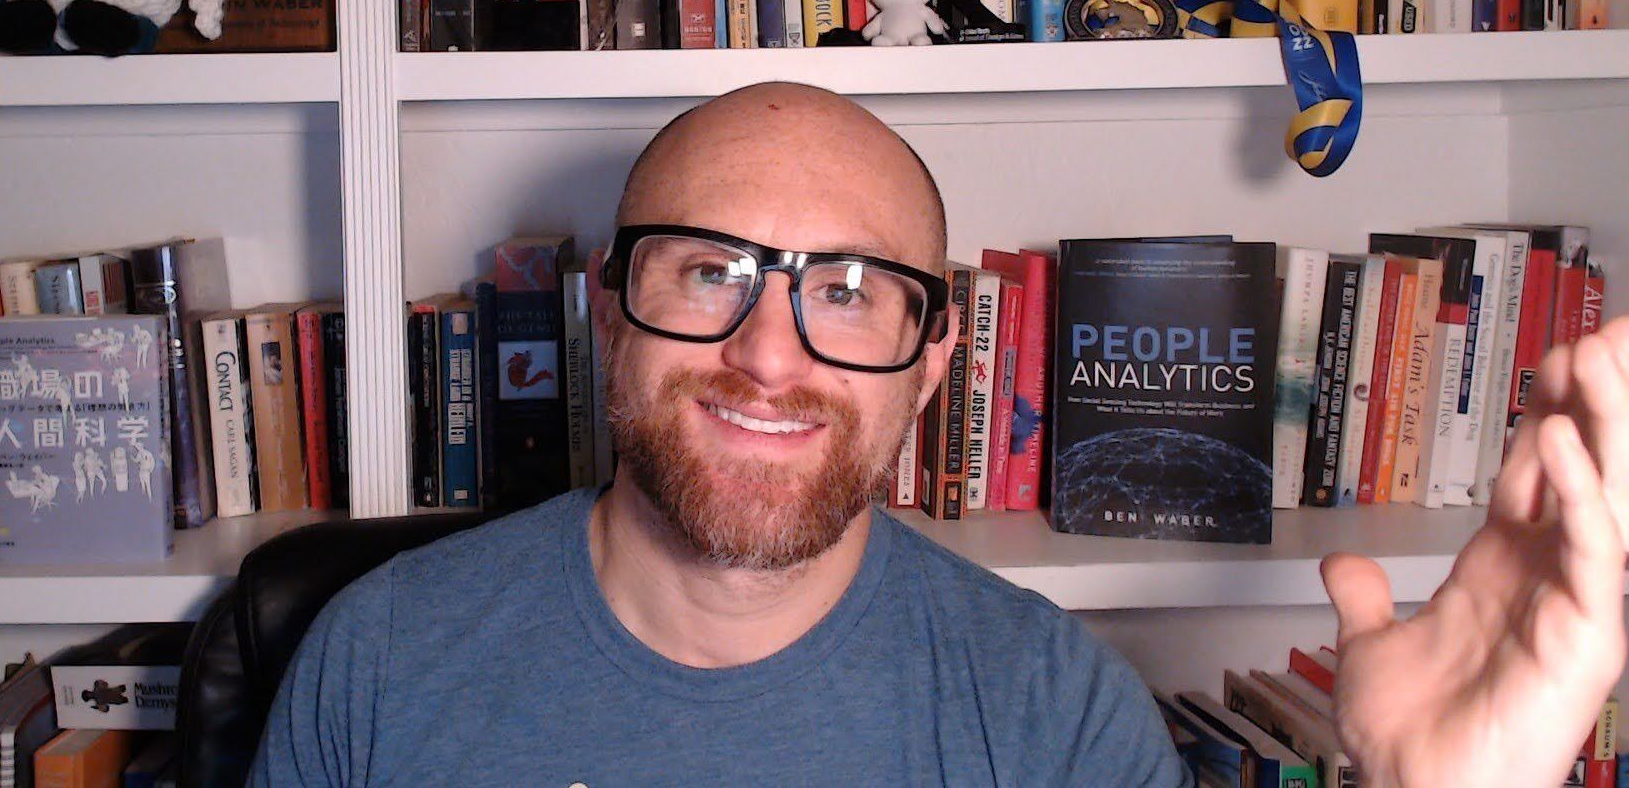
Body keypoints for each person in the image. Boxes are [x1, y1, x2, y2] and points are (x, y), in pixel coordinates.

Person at [251, 83, 1629, 786]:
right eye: (707, 272)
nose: (768, 354)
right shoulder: (379, 659)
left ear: (934, 363)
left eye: (850, 292)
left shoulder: (1048, 713)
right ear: (610, 315)